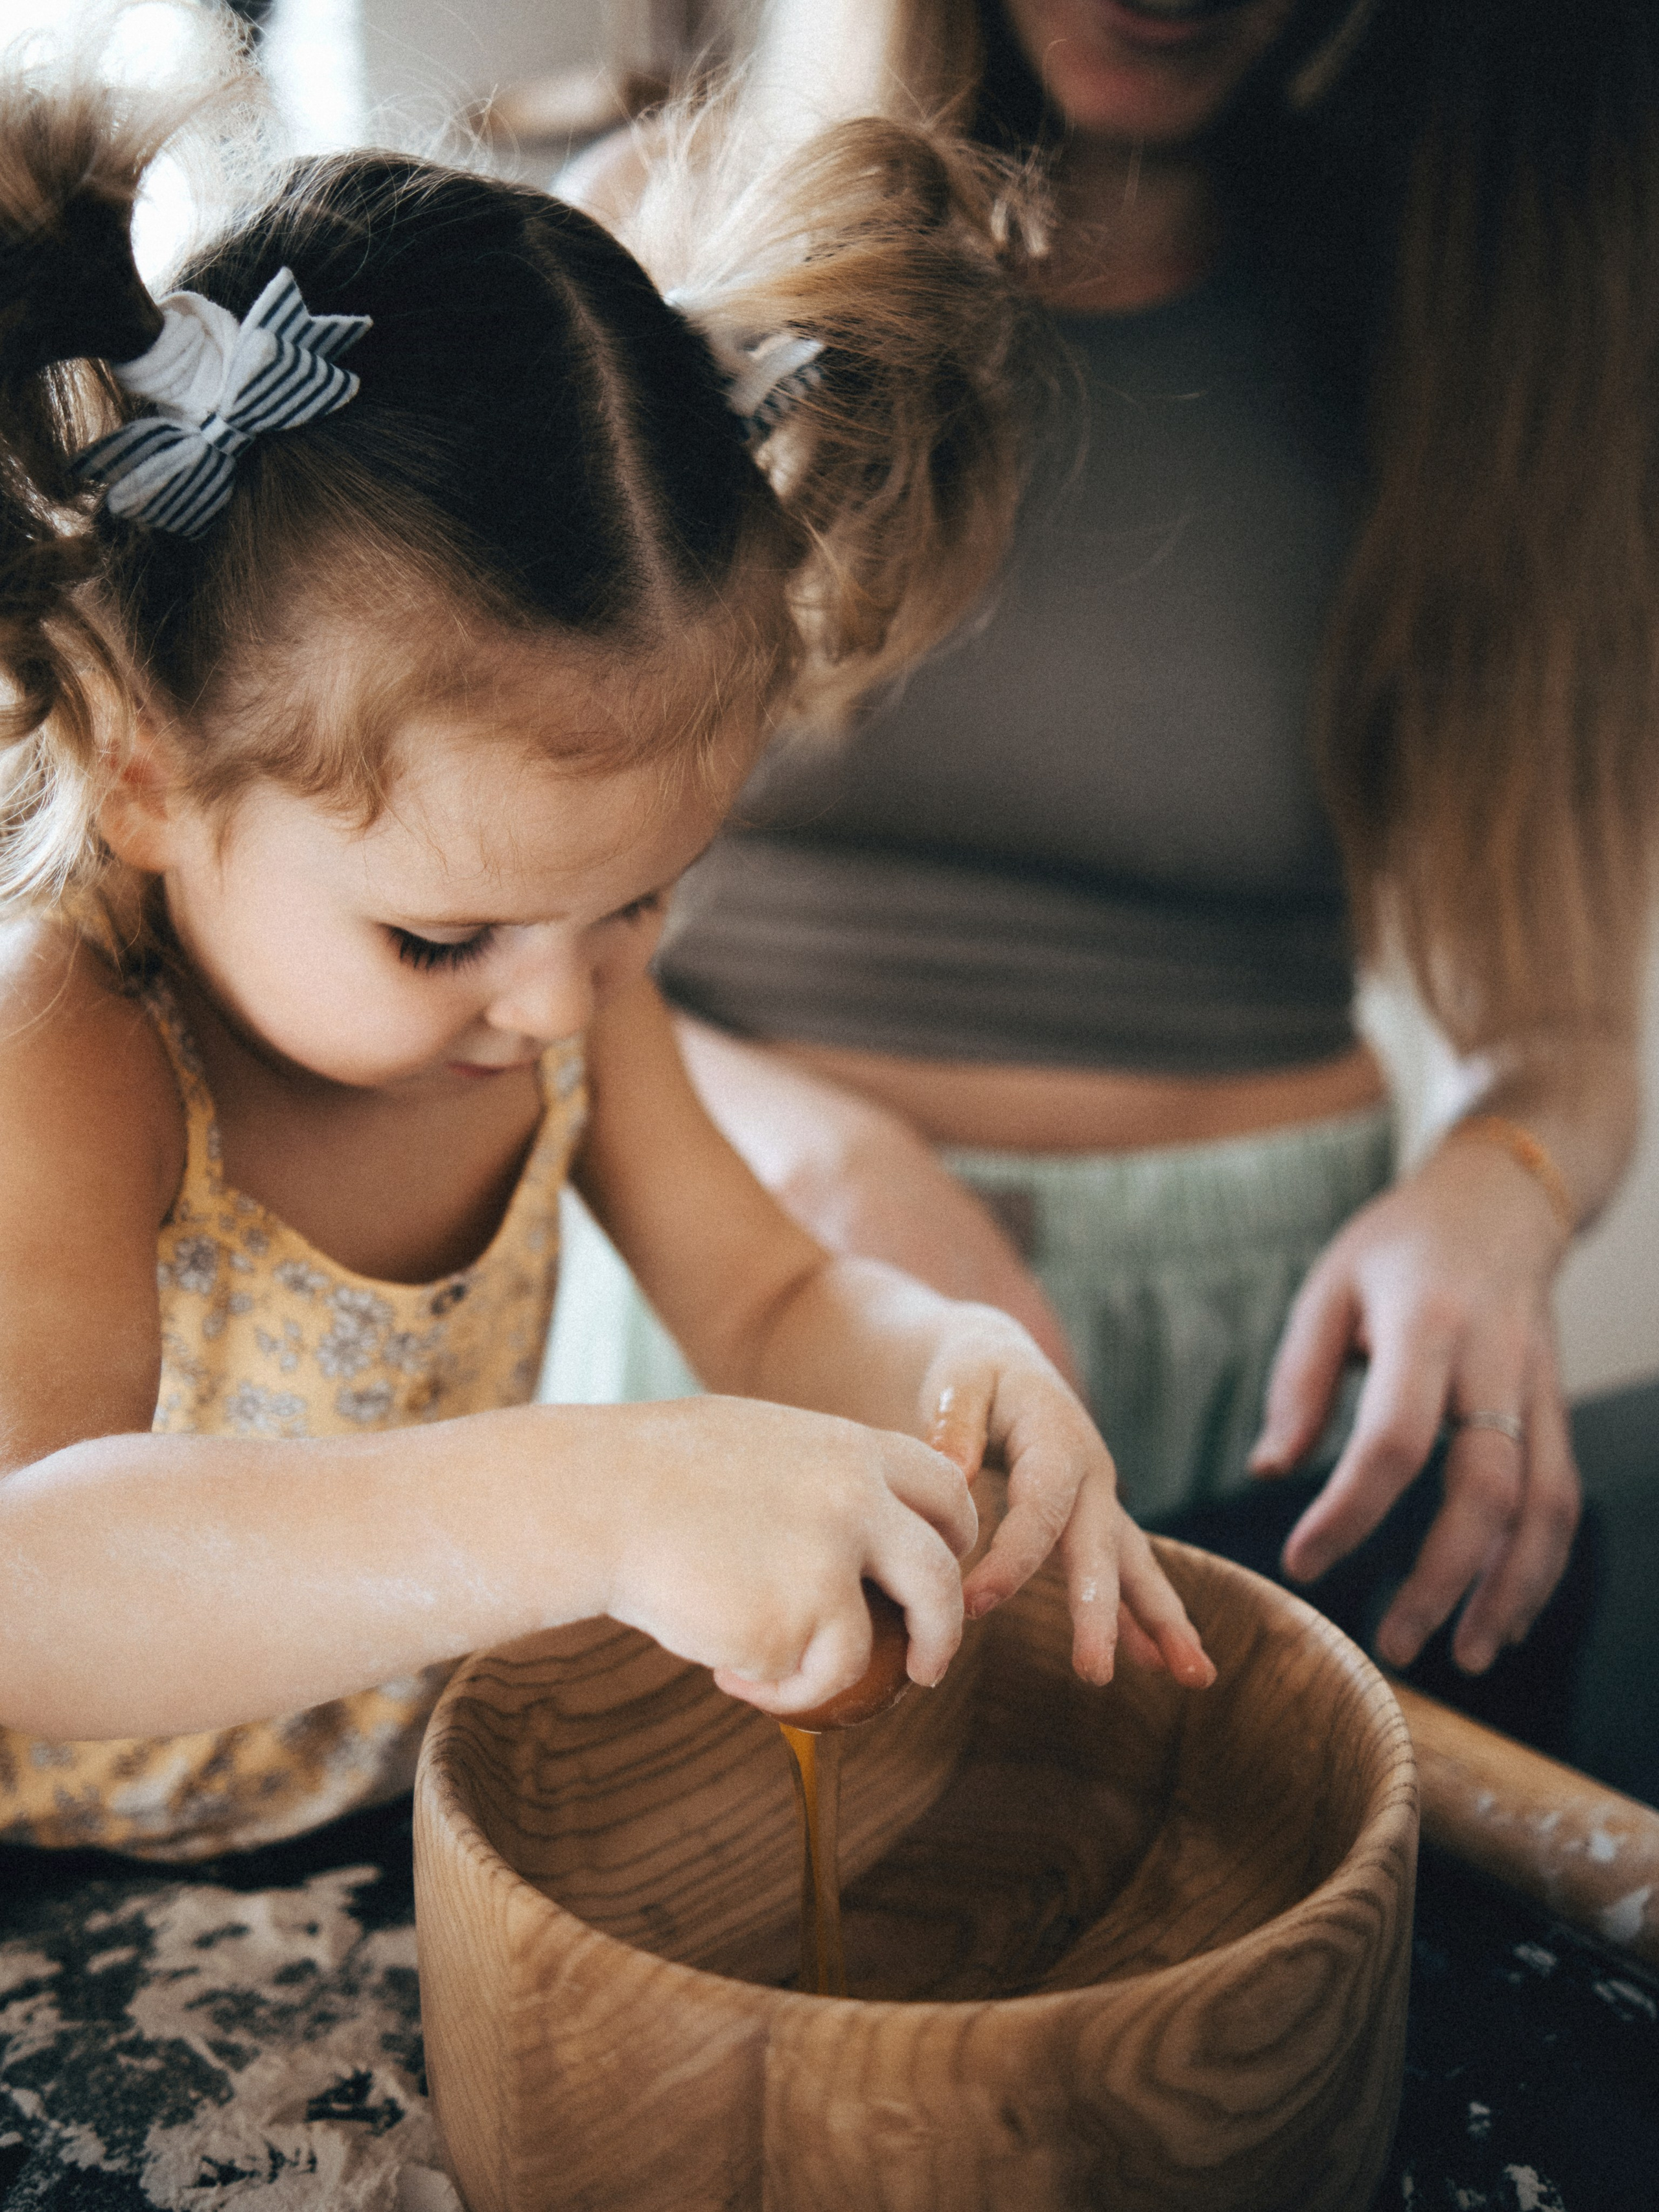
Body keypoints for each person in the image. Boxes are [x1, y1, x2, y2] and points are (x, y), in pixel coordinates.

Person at [0, 10, 1214, 1859]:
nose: (563, 996)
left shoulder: (554, 980)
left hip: (355, 1822)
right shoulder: (75, 1053)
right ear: (153, 774)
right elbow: (27, 1582)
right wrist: (586, 1493)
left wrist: (953, 1365)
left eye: (644, 896)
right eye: (441, 937)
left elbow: (772, 1298)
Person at [557, 0, 1658, 1681]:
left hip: (1256, 1381)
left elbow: (1565, 1043)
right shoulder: (650, 242)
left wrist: (1493, 1188)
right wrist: (809, 1161)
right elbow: (478, 910)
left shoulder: (1468, 338)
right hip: (729, 1264)